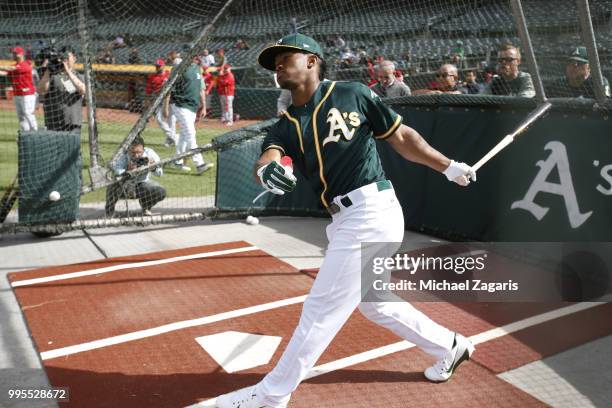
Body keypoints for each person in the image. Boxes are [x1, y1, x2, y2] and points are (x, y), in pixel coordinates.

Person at [216, 32, 476, 408]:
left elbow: (400, 136)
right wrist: (267, 169)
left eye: (285, 57)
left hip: (372, 210)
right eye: (274, 61)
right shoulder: (286, 122)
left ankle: (270, 396)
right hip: (344, 218)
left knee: (320, 310)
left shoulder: (352, 93)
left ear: (311, 60)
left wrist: (448, 166)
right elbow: (268, 156)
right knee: (377, 303)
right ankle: (450, 345)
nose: (277, 65)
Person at [164, 54, 213, 174]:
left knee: (184, 135)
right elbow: (169, 87)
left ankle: (178, 161)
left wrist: (204, 107)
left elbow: (201, 89)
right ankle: (200, 164)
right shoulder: (178, 68)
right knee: (191, 133)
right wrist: (165, 107)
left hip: (193, 106)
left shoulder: (197, 68)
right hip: (180, 105)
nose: (193, 57)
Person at [105, 136, 166, 217]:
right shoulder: (122, 154)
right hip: (124, 184)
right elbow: (115, 168)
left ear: (144, 149)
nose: (136, 156)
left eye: (139, 152)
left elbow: (160, 173)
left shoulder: (150, 153)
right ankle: (109, 211)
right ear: (128, 150)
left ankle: (146, 207)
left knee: (160, 191)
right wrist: (127, 171)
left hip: (141, 184)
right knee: (112, 186)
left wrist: (153, 167)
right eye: (133, 153)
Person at [37, 46, 85, 132]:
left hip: (72, 123)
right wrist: (48, 70)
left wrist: (68, 72)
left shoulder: (79, 76)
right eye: (62, 58)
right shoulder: (50, 75)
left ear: (74, 58)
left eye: (67, 57)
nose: (64, 60)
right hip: (53, 122)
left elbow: (82, 90)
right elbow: (41, 91)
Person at [0, 46, 38, 131]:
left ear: (21, 54)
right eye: (13, 53)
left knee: (28, 113)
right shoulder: (15, 65)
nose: (13, 55)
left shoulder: (25, 64)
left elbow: (10, 68)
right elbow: (5, 73)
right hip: (17, 94)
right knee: (21, 116)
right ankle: (26, 134)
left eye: (15, 53)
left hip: (27, 94)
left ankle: (35, 132)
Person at [145, 59, 176, 146]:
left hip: (171, 99)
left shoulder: (169, 74)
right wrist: (148, 103)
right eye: (156, 66)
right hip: (159, 100)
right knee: (159, 119)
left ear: (164, 66)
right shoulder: (152, 77)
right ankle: (174, 137)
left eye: (159, 66)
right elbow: (148, 91)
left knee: (171, 120)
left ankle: (170, 140)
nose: (157, 68)